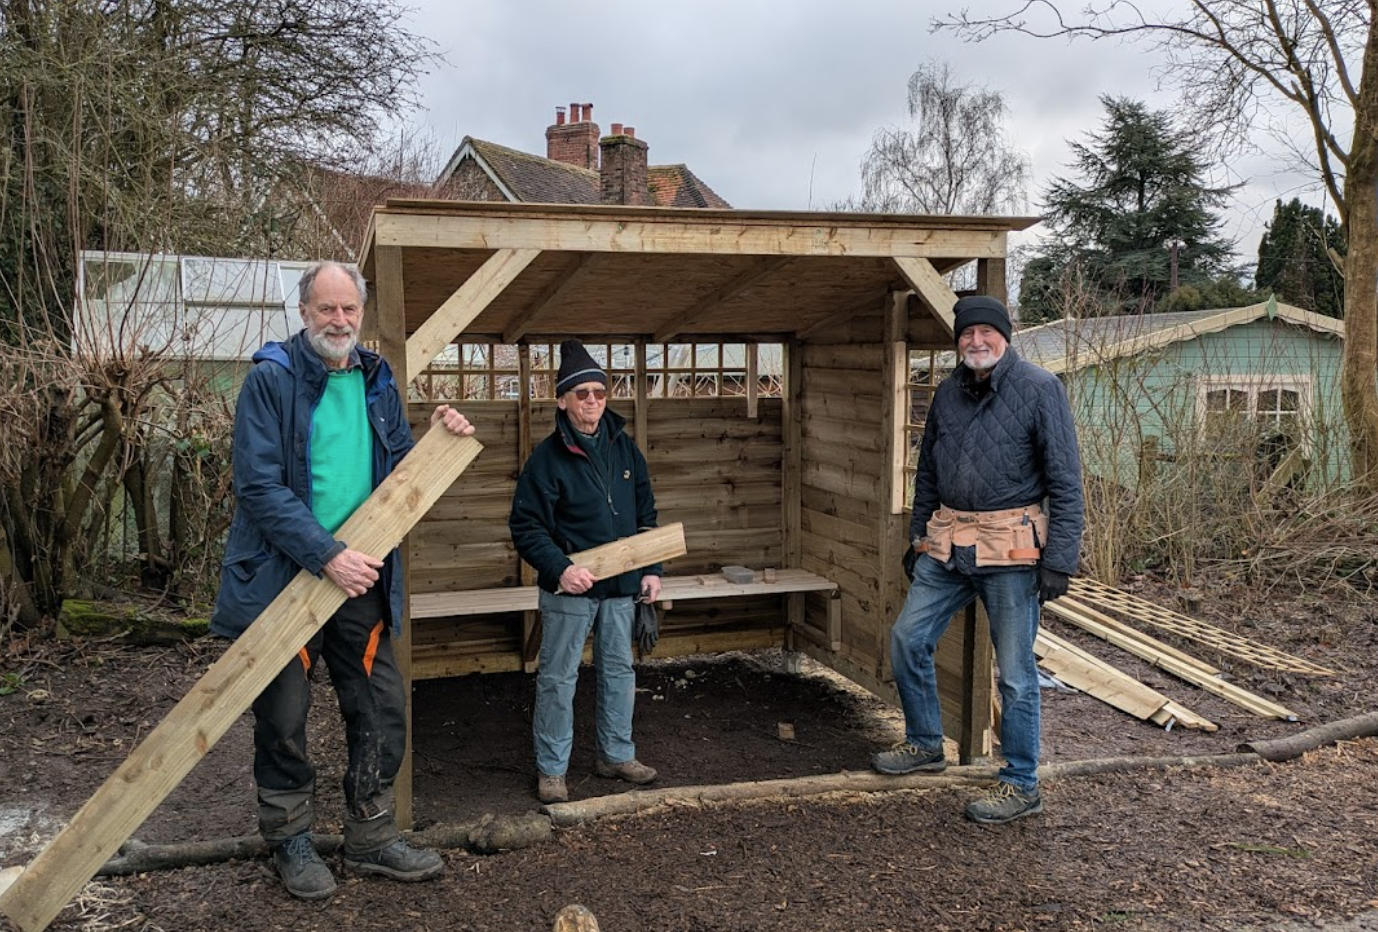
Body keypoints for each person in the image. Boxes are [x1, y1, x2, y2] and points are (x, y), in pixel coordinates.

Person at [209, 260, 476, 899]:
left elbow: (397, 472)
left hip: (361, 575)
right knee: (283, 715)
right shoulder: (271, 381)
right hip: (285, 577)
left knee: (379, 705)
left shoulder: (376, 379)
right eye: (327, 309)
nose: (339, 320)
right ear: (304, 313)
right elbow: (260, 487)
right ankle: (291, 840)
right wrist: (326, 553)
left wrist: (441, 440)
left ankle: (372, 834)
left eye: (349, 309)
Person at [871, 295, 1084, 825]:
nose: (976, 341)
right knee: (908, 638)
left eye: (986, 332)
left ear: (1005, 337)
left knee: (1013, 672)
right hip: (948, 543)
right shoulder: (947, 393)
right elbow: (927, 473)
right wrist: (919, 536)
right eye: (967, 334)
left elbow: (1065, 481)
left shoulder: (1039, 388)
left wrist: (1059, 559)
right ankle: (924, 744)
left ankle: (1021, 782)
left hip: (1011, 548)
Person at [509, 339, 662, 805]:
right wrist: (561, 568)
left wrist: (651, 569)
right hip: (570, 591)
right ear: (562, 400)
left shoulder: (625, 449)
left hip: (621, 589)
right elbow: (526, 527)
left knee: (618, 671)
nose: (592, 400)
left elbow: (646, 515)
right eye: (581, 394)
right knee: (558, 679)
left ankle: (616, 754)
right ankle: (552, 769)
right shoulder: (546, 459)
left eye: (598, 391)